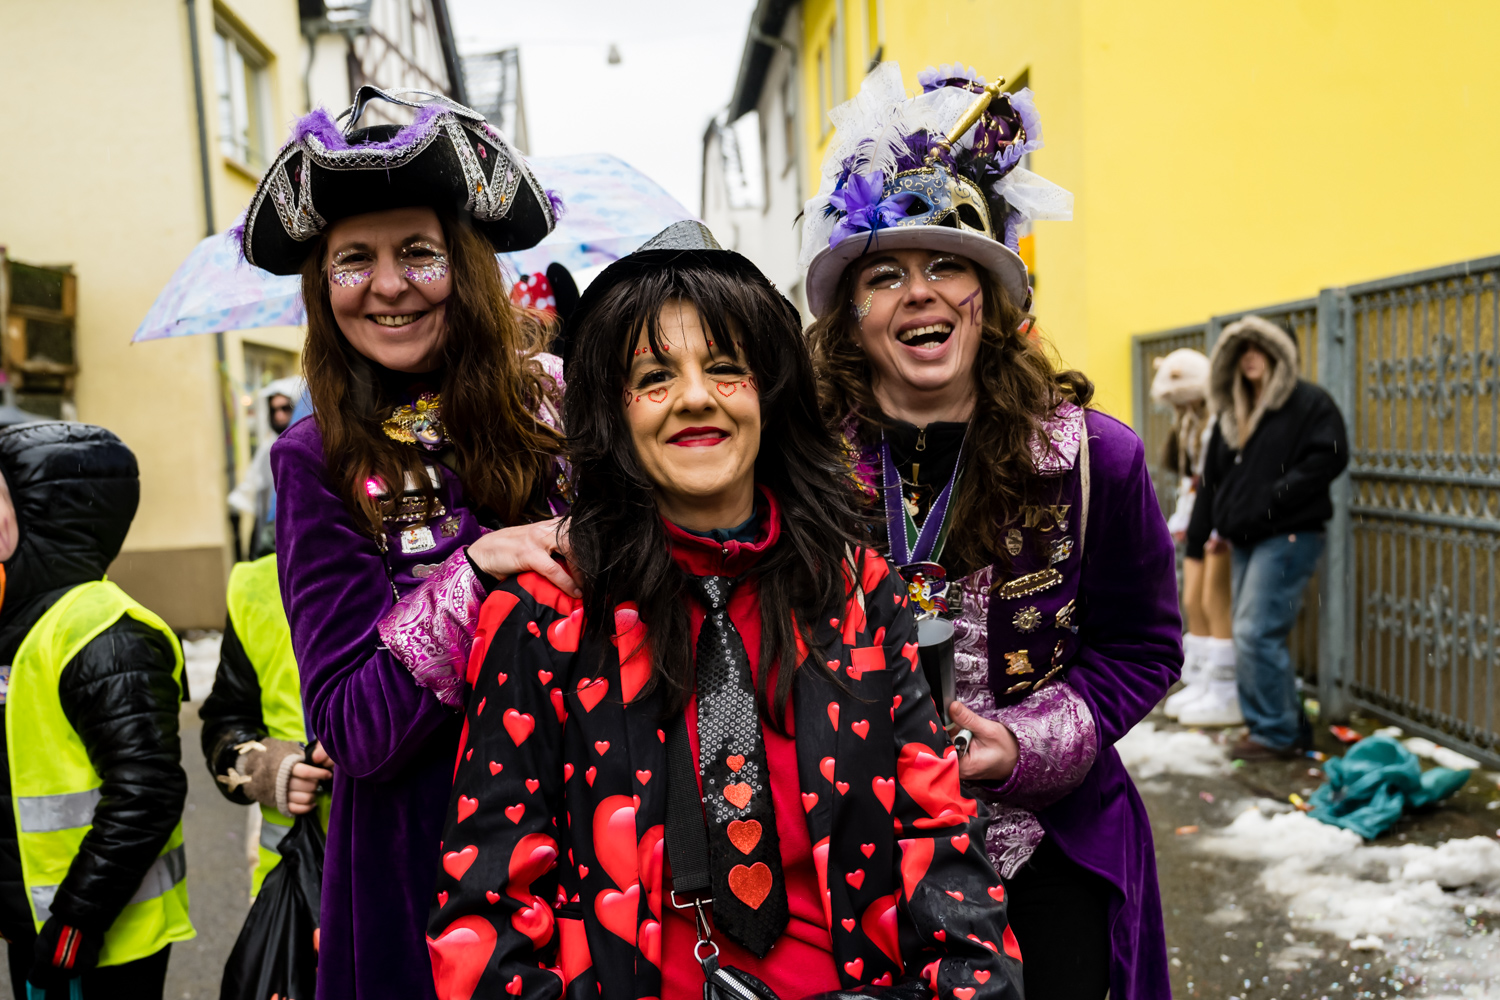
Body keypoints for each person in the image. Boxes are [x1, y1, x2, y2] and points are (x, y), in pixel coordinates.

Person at [401, 222, 1022, 999]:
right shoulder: (545, 614)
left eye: (726, 368)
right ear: (615, 415)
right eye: (655, 377)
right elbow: (489, 911)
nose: (695, 397)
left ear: (770, 395)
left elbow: (940, 842)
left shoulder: (860, 592)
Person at [802, 63, 1182, 1000]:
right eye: (886, 273)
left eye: (949, 266)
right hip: (851, 854)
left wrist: (1027, 744)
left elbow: (1143, 647)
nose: (919, 294)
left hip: (1051, 854)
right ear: (852, 312)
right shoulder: (796, 468)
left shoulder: (1098, 459)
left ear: (993, 301)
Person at [239, 87, 570, 1000]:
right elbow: (351, 728)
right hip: (419, 877)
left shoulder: (559, 407)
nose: (388, 285)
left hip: (593, 842)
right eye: (355, 260)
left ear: (462, 265)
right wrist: (474, 575)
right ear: (322, 285)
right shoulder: (314, 460)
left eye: (417, 252)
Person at [0, 422, 194, 997]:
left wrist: (72, 928)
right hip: (36, 928)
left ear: (46, 512)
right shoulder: (22, 622)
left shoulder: (104, 636)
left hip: (97, 940)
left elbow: (146, 795)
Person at [1186, 315, 1348, 760]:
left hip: (1289, 534)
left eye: (1261, 348)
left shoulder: (1309, 403)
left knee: (1256, 631)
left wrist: (1273, 497)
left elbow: (1331, 457)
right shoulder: (1232, 411)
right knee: (1252, 631)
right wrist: (1218, 527)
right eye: (1243, 349)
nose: (1251, 358)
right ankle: (1278, 725)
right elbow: (1215, 480)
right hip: (1245, 537)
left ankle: (1276, 731)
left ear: (1280, 354)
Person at [200, 550, 332, 899]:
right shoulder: (258, 583)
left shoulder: (454, 559)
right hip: (294, 892)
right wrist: (267, 768)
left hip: (426, 886)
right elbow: (224, 724)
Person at [1150, 349, 1238, 724]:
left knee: (1215, 601)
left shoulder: (1220, 420)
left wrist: (1217, 520)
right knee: (1193, 599)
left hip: (1220, 519)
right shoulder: (1189, 422)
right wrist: (1186, 516)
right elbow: (1191, 479)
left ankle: (1225, 690)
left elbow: (1221, 476)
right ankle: (1203, 682)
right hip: (1199, 516)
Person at [228, 378, 304, 560]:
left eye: (285, 408)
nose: (279, 416)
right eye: (274, 410)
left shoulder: (306, 443)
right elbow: (252, 489)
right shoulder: (268, 447)